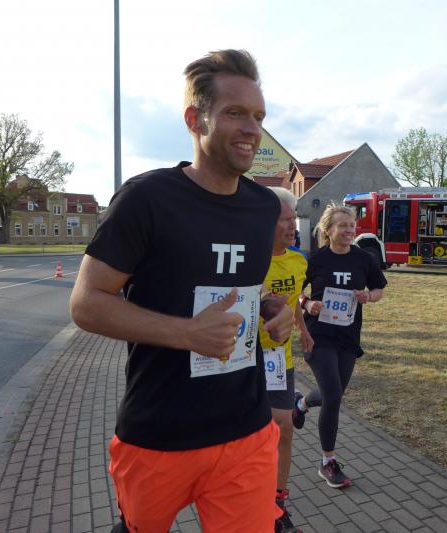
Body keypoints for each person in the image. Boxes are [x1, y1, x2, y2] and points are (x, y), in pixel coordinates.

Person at [69, 49, 297, 533]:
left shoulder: (263, 208)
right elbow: (86, 303)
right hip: (158, 433)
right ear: (196, 120)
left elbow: (244, 288)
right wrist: (187, 333)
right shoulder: (146, 199)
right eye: (235, 113)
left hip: (246, 428)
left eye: (259, 116)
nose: (252, 129)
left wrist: (272, 308)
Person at [294, 204, 387, 488]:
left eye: (351, 225)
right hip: (318, 335)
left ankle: (300, 404)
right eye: (343, 226)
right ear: (328, 230)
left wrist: (368, 297)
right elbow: (295, 291)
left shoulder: (364, 259)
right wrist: (307, 303)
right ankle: (328, 462)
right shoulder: (315, 259)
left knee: (333, 393)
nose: (349, 230)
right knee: (333, 396)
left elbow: (379, 289)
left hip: (348, 336)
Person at [260, 187, 312, 532]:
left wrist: (303, 329)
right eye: (285, 220)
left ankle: (278, 503)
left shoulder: (299, 260)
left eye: (294, 219)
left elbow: (294, 302)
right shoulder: (251, 259)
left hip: (280, 358)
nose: (293, 226)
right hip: (244, 357)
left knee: (283, 428)